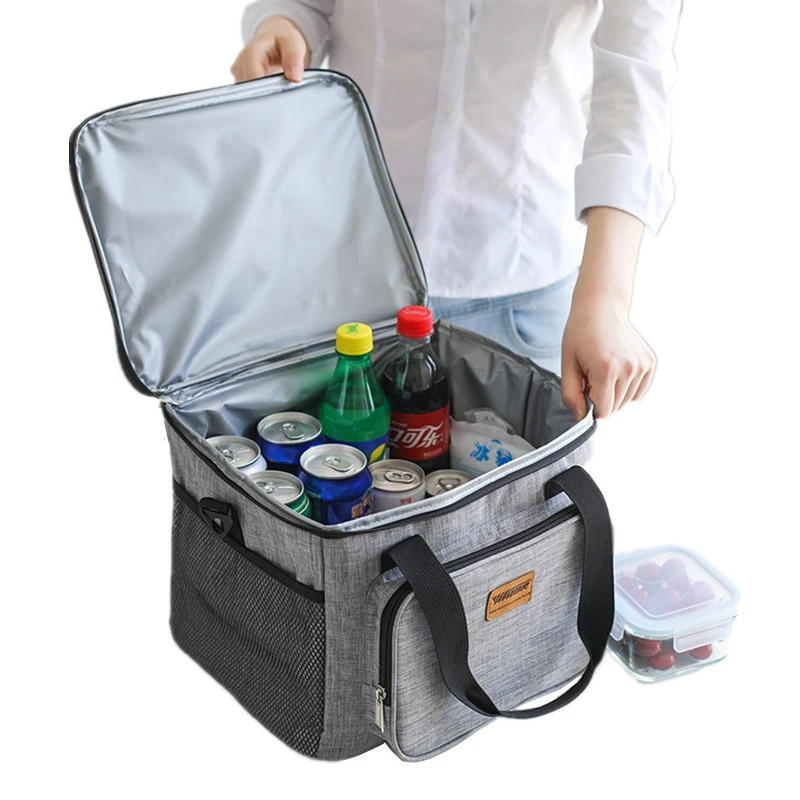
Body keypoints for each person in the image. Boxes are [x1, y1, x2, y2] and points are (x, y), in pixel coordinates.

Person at [232, 1, 681, 420]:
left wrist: (606, 299)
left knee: (523, 483)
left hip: (521, 291)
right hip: (343, 271)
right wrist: (284, 25)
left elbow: (634, 87)